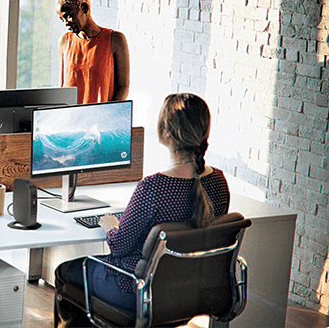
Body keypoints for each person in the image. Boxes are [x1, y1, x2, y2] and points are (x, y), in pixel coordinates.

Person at [53, 93, 230, 326]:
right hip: (189, 292)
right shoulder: (218, 181)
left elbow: (119, 247)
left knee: (66, 271)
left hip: (136, 289)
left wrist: (111, 226)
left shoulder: (154, 187)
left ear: (166, 132)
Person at [56, 0, 130, 104]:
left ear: (85, 8)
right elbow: (62, 87)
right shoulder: (64, 41)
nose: (66, 23)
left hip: (102, 118)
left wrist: (109, 113)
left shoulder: (115, 40)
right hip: (71, 118)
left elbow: (123, 87)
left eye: (69, 16)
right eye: (62, 19)